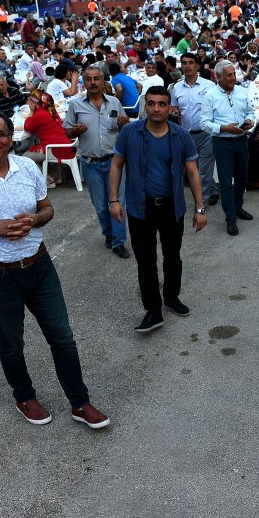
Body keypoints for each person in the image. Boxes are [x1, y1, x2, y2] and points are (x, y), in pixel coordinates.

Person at [0, 107, 109, 429]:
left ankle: (80, 403)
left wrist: (33, 220)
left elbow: (47, 210)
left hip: (39, 265)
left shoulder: (28, 168)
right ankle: (24, 396)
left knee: (62, 338)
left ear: (10, 136)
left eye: (0, 133)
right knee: (12, 341)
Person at [110, 87, 207, 333]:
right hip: (140, 208)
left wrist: (200, 208)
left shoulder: (181, 135)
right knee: (146, 261)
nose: (156, 108)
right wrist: (113, 200)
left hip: (172, 206)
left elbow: (193, 172)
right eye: (151, 103)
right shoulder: (129, 132)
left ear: (169, 107)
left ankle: (171, 298)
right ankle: (153, 311)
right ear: (145, 106)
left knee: (173, 256)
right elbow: (116, 166)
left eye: (161, 104)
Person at [63, 65, 132, 259]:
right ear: (84, 82)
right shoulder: (75, 105)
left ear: (103, 82)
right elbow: (67, 132)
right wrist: (75, 131)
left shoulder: (114, 103)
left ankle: (119, 242)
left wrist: (123, 124)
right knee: (101, 205)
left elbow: (123, 128)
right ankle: (109, 234)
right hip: (91, 163)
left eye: (96, 79)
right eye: (88, 79)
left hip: (114, 162)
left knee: (118, 202)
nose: (93, 82)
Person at [200, 60, 255, 236]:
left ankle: (238, 207)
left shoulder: (241, 91)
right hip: (222, 143)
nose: (233, 78)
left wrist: (248, 120)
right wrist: (224, 128)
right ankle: (230, 218)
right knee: (225, 182)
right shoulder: (210, 96)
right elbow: (204, 123)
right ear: (219, 77)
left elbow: (250, 111)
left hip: (241, 140)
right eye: (229, 75)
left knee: (241, 178)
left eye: (233, 74)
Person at [170, 52, 218, 209]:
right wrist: (174, 112)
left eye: (191, 62)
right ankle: (214, 189)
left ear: (197, 65)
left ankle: (201, 203)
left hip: (206, 134)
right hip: (186, 135)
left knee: (203, 170)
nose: (188, 66)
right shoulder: (176, 87)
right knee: (194, 168)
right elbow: (174, 108)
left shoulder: (209, 86)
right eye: (184, 63)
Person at [19, 90, 75, 188]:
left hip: (55, 148)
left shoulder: (39, 114)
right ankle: (56, 176)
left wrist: (31, 112)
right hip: (65, 145)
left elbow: (27, 127)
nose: (28, 103)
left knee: (24, 158)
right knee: (41, 151)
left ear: (34, 102)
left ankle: (48, 179)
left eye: (29, 101)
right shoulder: (51, 110)